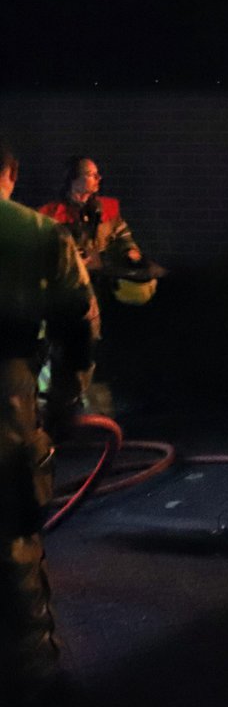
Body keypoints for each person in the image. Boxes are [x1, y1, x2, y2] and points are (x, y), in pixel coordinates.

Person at [1, 139, 100, 702]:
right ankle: (32, 674)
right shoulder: (39, 233)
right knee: (13, 548)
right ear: (9, 175)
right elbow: (78, 330)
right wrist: (64, 405)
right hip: (8, 408)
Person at [37, 156, 148, 423]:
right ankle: (61, 409)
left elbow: (122, 237)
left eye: (97, 174)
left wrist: (130, 253)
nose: (98, 179)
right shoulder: (50, 215)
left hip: (103, 289)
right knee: (65, 351)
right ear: (73, 180)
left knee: (98, 350)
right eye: (91, 174)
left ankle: (96, 411)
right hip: (68, 294)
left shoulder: (107, 210)